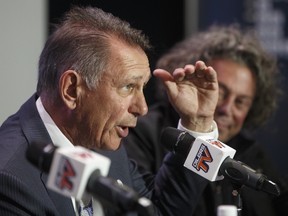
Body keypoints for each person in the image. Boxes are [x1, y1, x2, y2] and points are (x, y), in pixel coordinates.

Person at [0, 6, 220, 216]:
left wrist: (197, 124)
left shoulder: (101, 140)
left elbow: (160, 212)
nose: (142, 108)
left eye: (142, 88)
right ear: (71, 90)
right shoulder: (10, 178)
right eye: (128, 87)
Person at [123, 24, 288, 216]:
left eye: (241, 102)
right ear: (191, 81)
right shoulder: (144, 133)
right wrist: (197, 125)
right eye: (221, 93)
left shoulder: (249, 153)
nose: (227, 109)